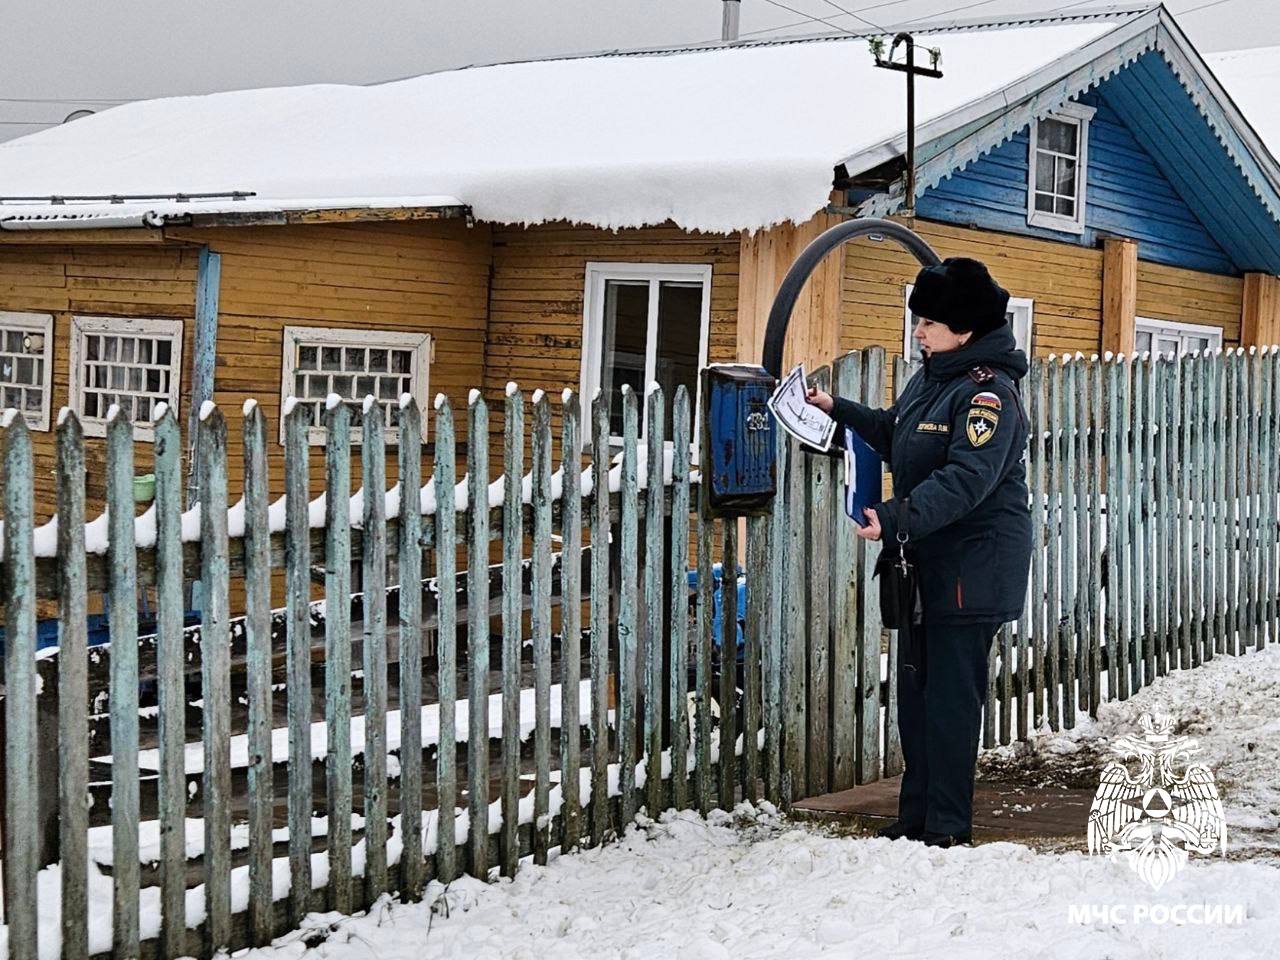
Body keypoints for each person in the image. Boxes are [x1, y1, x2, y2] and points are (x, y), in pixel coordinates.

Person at [806, 256, 1032, 848]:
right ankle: (915, 818)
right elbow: (896, 432)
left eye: (929, 322)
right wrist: (840, 410)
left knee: (951, 701)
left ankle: (948, 827)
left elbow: (964, 480)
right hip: (923, 561)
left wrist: (895, 518)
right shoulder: (933, 377)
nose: (918, 331)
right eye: (918, 321)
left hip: (971, 567)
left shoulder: (990, 395)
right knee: (915, 694)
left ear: (965, 328)